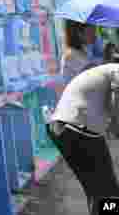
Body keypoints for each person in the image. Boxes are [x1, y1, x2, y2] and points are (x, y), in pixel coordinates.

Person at [48, 62, 119, 213]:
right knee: (107, 190)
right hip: (77, 129)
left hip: (65, 128)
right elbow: (116, 102)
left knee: (97, 189)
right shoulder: (116, 70)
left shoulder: (106, 71)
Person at [61, 19, 97, 87]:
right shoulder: (71, 54)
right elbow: (96, 72)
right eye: (92, 31)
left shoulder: (83, 51)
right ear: (79, 33)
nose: (95, 35)